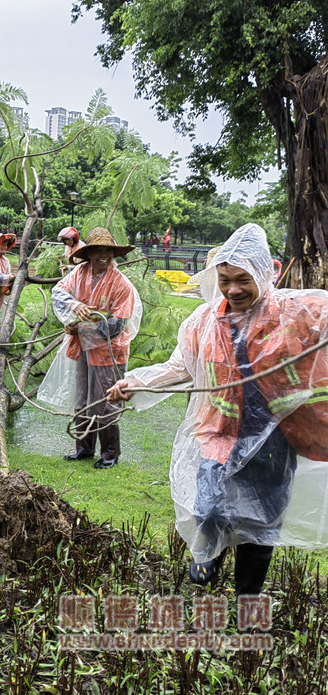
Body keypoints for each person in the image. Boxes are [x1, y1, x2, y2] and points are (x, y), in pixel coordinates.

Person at [108, 223, 328, 595]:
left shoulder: (299, 312)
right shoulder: (202, 322)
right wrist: (136, 382)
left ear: (263, 273)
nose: (233, 289)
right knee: (209, 509)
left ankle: (248, 599)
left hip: (274, 441)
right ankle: (208, 555)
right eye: (225, 279)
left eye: (243, 279)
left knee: (261, 524)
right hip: (218, 435)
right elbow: (180, 368)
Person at [51, 227, 141, 468]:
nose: (103, 255)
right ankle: (84, 449)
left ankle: (110, 454)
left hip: (110, 352)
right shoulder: (80, 273)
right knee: (82, 400)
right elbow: (59, 292)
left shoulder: (122, 285)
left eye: (107, 250)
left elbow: (118, 324)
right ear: (88, 254)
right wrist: (73, 306)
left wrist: (81, 327)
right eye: (98, 250)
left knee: (105, 402)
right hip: (84, 348)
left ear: (113, 254)